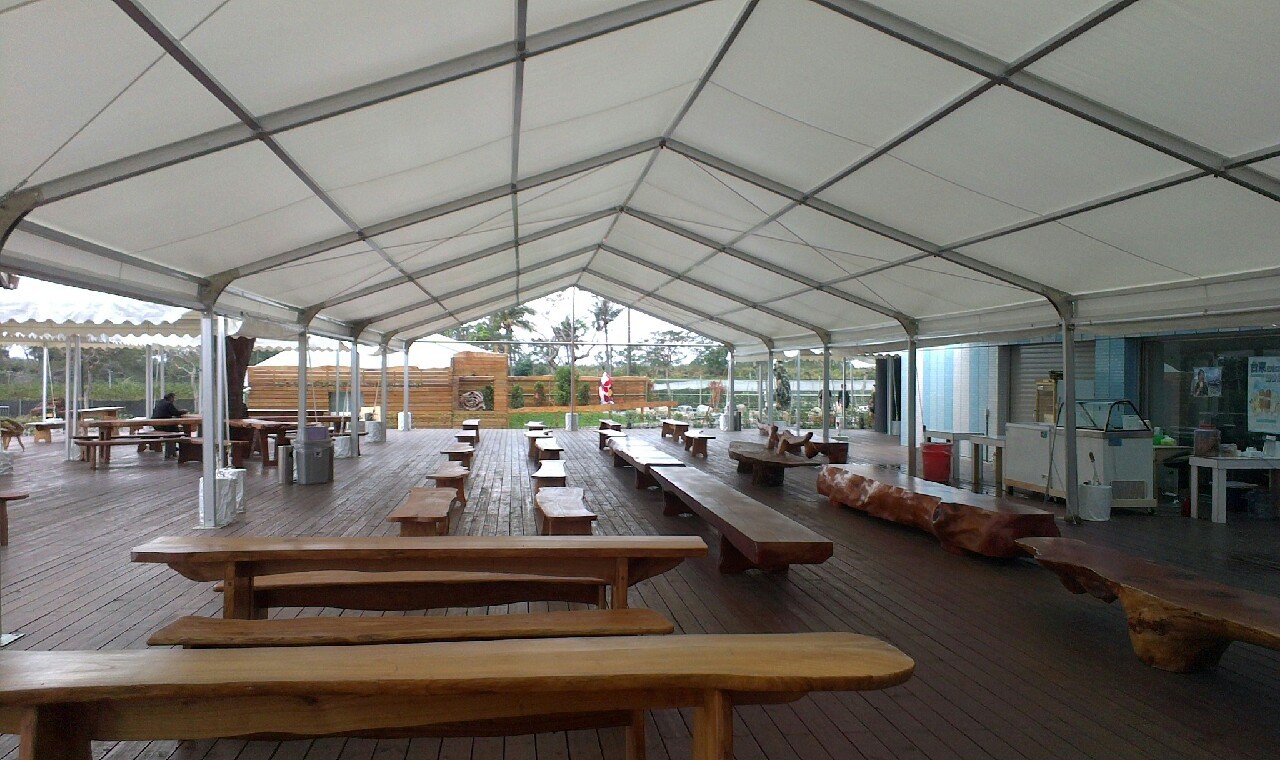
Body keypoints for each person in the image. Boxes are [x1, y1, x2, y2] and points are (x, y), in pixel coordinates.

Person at [151, 392, 188, 458]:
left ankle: (173, 448)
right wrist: (184, 411)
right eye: (174, 398)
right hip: (164, 426)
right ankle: (176, 449)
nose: (174, 400)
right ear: (170, 398)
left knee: (174, 430)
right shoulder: (168, 404)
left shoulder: (159, 403)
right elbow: (175, 413)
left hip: (156, 425)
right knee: (175, 431)